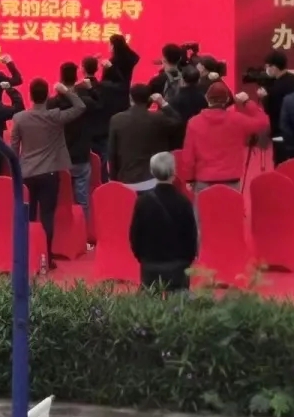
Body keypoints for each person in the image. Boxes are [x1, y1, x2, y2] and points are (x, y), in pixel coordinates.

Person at [10, 79, 86, 267]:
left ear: (30, 95)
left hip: (26, 173)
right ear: (47, 96)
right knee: (47, 216)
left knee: (27, 217)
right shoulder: (55, 116)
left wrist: (16, 171)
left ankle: (27, 255)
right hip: (50, 173)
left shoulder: (19, 118)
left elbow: (13, 148)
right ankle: (47, 257)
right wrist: (65, 91)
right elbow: (80, 107)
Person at [178, 81, 269, 193]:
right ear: (227, 100)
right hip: (231, 179)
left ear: (207, 98)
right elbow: (263, 122)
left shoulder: (194, 123)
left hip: (204, 179)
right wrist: (247, 102)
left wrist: (189, 178)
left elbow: (189, 155)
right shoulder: (237, 120)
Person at [129, 152, 198, 292]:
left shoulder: (143, 202)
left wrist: (143, 259)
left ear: (152, 171)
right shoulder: (184, 202)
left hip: (150, 265)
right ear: (174, 172)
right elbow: (191, 238)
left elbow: (135, 236)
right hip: (178, 266)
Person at [49, 62, 101, 220]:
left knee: (60, 198)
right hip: (80, 156)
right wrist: (90, 88)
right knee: (82, 197)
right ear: (77, 76)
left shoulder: (53, 103)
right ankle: (83, 227)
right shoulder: (85, 101)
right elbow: (100, 105)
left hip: (59, 157)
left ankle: (62, 226)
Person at [107, 85, 180, 191]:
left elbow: (112, 152)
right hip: (151, 179)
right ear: (149, 99)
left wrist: (113, 180)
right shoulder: (157, 118)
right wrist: (163, 103)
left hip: (126, 179)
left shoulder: (116, 120)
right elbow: (177, 121)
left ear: (130, 98)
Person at [258, 50, 294, 165]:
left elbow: (271, 109)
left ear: (274, 67)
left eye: (267, 66)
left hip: (280, 132)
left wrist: (264, 97)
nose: (266, 69)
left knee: (281, 163)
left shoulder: (277, 88)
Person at [168, 65, 208, 149]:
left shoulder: (174, 99)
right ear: (198, 80)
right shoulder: (203, 97)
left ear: (182, 80)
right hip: (200, 135)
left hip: (181, 138)